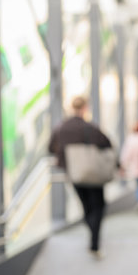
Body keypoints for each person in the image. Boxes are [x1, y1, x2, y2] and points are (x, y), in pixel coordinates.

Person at [49, 96, 112, 259]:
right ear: (85, 108)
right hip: (93, 173)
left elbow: (51, 147)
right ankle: (94, 243)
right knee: (98, 207)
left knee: (86, 207)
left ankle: (93, 236)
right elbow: (107, 143)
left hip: (74, 174)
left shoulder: (61, 128)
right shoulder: (89, 127)